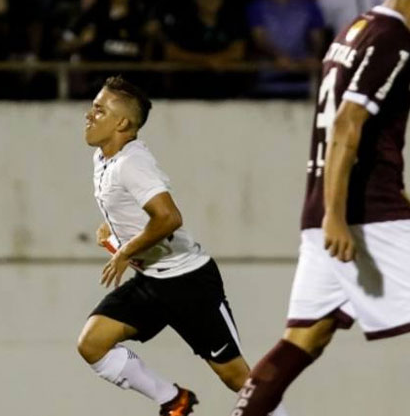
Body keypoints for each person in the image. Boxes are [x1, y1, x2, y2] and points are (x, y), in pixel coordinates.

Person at [231, 0, 410, 415]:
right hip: (365, 214)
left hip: (327, 203)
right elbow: (347, 124)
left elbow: (354, 126)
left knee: (306, 336)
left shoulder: (356, 28)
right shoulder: (395, 40)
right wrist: (338, 217)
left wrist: (338, 207)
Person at [78, 76, 289, 416]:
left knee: (237, 378)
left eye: (99, 110)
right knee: (92, 343)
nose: (89, 115)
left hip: (189, 283)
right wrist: (116, 233)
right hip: (154, 281)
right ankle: (173, 400)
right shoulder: (104, 159)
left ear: (122, 123)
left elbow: (169, 218)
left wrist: (125, 250)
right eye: (92, 108)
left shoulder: (132, 163)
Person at [247, 0, 325, 98]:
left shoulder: (309, 6)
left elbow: (317, 38)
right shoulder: (257, 7)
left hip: (302, 80)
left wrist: (312, 56)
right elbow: (260, 39)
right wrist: (280, 57)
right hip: (268, 81)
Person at [164, 0, 246, 98]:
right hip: (187, 92)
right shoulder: (183, 22)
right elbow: (171, 52)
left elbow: (238, 51)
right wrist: (205, 61)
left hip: (227, 92)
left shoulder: (231, 21)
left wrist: (215, 60)